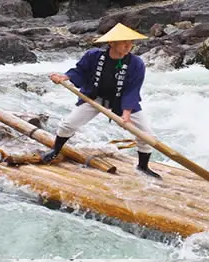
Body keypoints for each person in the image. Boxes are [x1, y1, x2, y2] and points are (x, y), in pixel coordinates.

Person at [41, 23, 160, 178]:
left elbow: (133, 90)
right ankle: (55, 150)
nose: (128, 46)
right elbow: (80, 71)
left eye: (131, 43)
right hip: (94, 99)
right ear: (111, 43)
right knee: (68, 124)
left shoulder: (136, 64)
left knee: (146, 135)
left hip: (121, 103)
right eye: (124, 43)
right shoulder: (93, 56)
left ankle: (143, 166)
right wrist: (64, 77)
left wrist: (126, 113)